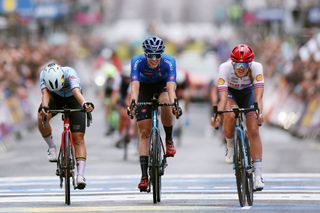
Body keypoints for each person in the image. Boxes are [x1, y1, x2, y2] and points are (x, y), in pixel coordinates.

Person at [128, 36, 182, 192]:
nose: (154, 59)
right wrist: (133, 103)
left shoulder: (169, 61)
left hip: (162, 86)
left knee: (166, 103)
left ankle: (169, 138)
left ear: (162, 54)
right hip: (144, 87)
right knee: (144, 132)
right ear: (145, 54)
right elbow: (135, 86)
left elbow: (171, 87)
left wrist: (175, 104)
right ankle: (144, 176)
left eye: (157, 55)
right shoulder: (137, 61)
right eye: (150, 55)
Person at [211, 44, 265, 191]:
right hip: (231, 94)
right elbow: (222, 98)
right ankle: (229, 145)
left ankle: (258, 175)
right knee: (229, 114)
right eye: (238, 64)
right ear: (232, 62)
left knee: (254, 130)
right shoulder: (224, 68)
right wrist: (217, 116)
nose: (241, 68)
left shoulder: (257, 67)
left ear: (250, 63)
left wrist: (259, 113)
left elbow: (259, 97)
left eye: (245, 64)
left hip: (249, 93)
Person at [37, 62, 94, 190]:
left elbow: (76, 91)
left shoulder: (70, 73)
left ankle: (80, 175)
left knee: (78, 138)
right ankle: (51, 147)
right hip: (55, 99)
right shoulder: (43, 75)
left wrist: (84, 104)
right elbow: (45, 93)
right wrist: (45, 107)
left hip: (73, 99)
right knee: (41, 116)